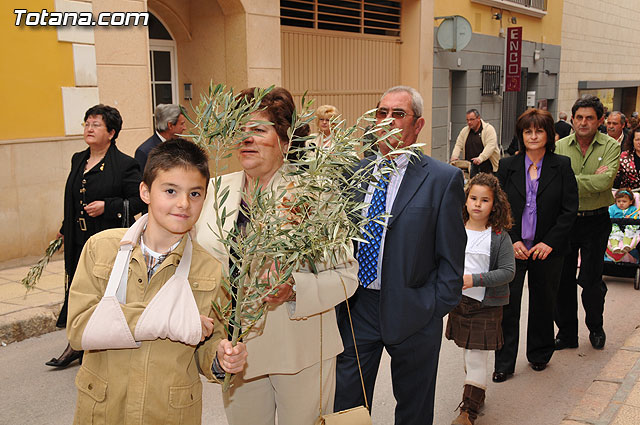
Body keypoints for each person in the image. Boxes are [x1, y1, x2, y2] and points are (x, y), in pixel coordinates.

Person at [195, 87, 358, 425]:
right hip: (237, 352)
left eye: (258, 129)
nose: (246, 138)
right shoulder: (216, 192)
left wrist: (295, 289)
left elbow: (347, 276)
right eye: (241, 129)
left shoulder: (315, 195)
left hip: (301, 351)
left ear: (284, 141)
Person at [66, 139, 247, 424]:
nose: (184, 203)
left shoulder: (210, 270)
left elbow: (208, 342)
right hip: (103, 410)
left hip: (169, 413)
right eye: (171, 190)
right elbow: (79, 329)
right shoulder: (101, 249)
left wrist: (220, 360)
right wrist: (172, 320)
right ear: (145, 192)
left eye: (195, 193)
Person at [335, 86, 467, 425]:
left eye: (398, 114)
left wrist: (432, 305)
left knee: (413, 408)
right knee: (347, 404)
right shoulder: (355, 175)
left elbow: (452, 255)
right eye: (382, 113)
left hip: (414, 310)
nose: (387, 121)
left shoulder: (442, 179)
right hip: (357, 308)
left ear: (418, 125)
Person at [46, 104, 145, 369]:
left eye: (96, 124)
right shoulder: (78, 158)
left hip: (105, 239)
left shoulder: (125, 164)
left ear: (111, 132)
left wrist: (108, 206)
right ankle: (80, 340)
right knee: (79, 288)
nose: (89, 128)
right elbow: (74, 196)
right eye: (87, 123)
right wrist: (65, 226)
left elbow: (140, 201)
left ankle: (85, 344)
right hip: (79, 237)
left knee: (103, 290)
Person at [493, 108, 578, 383]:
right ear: (520, 135)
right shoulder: (507, 166)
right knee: (508, 305)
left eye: (538, 130)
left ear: (548, 135)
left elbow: (569, 210)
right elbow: (498, 206)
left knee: (544, 302)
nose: (533, 136)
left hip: (547, 249)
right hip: (513, 248)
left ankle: (540, 353)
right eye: (527, 131)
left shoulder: (562, 165)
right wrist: (512, 239)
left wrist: (549, 242)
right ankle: (504, 362)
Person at [446, 173, 515, 425]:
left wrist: (473, 279)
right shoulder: (456, 229)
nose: (477, 204)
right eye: (473, 198)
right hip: (459, 304)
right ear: (465, 200)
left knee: (476, 357)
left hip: (485, 306)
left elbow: (508, 272)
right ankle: (477, 392)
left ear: (494, 205)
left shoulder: (498, 237)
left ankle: (468, 412)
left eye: (484, 200)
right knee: (468, 355)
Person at [555, 96, 620, 351]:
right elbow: (557, 183)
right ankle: (567, 333)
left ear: (600, 120)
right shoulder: (559, 146)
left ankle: (596, 327)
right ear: (572, 119)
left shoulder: (610, 146)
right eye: (579, 117)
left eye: (589, 117)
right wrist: (587, 180)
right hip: (566, 221)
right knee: (563, 281)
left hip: (596, 221)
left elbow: (604, 184)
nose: (583, 122)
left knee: (591, 281)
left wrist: (570, 179)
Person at [135, 104, 187, 171]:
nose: (185, 128)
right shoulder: (144, 152)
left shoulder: (182, 146)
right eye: (182, 124)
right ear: (170, 125)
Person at [451, 109, 500, 177]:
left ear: (478, 118)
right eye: (467, 120)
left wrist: (480, 158)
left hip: (486, 167)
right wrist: (455, 156)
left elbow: (490, 146)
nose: (469, 122)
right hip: (470, 167)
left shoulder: (488, 129)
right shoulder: (465, 131)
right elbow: (458, 145)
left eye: (471, 119)